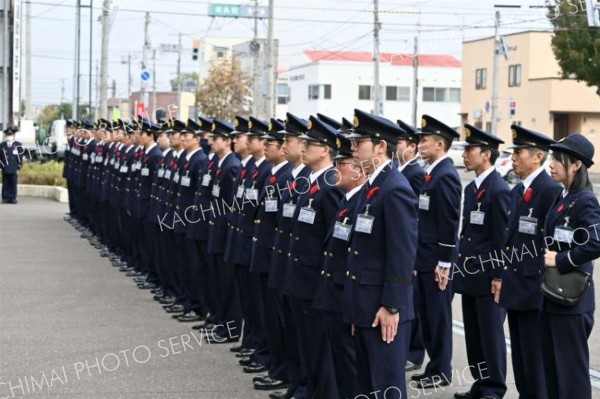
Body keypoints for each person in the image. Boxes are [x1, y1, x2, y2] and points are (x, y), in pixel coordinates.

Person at [343, 108, 418, 399]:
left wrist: (392, 306)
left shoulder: (395, 188)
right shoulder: (373, 185)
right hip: (364, 303)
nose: (353, 148)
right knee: (366, 383)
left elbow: (402, 252)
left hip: (382, 308)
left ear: (380, 147)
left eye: (359, 142)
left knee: (386, 384)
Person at [495, 125, 562, 399]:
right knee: (521, 359)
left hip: (534, 288)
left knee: (535, 361)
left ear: (537, 157)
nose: (513, 157)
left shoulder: (549, 191)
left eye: (519, 152)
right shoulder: (518, 191)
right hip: (515, 286)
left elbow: (551, 242)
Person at [453, 124, 510, 399]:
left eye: (469, 150)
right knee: (474, 337)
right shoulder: (473, 188)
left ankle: (494, 388)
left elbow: (501, 238)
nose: (465, 155)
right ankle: (480, 383)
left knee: (491, 336)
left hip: (488, 277)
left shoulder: (498, 190)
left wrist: (499, 276)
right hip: (470, 276)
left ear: (485, 154)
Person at [542, 134, 600, 399]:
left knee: (571, 377)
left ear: (576, 165)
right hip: (555, 295)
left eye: (557, 159)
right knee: (554, 373)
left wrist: (561, 260)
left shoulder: (585, 200)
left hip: (572, 300)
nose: (551, 164)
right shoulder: (563, 195)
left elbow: (595, 243)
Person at [412, 114, 462, 389]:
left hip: (437, 261)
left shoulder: (446, 176)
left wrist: (445, 261)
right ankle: (434, 365)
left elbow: (449, 221)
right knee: (427, 316)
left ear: (440, 144)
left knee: (438, 317)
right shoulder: (433, 173)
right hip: (425, 257)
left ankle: (441, 369)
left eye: (425, 139)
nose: (420, 144)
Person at [395, 119, 426, 373]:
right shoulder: (402, 169)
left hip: (415, 248)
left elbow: (414, 216)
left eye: (401, 143)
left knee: (413, 305)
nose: (397, 147)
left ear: (412, 147)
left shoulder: (415, 173)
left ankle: (415, 353)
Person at [0, 127, 24, 204]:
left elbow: (20, 157)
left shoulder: (18, 145)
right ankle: (5, 197)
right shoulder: (2, 145)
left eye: (10, 134)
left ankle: (13, 198)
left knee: (13, 184)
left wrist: (18, 168)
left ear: (14, 135)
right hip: (5, 167)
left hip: (14, 168)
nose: (9, 136)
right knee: (5, 183)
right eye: (8, 135)